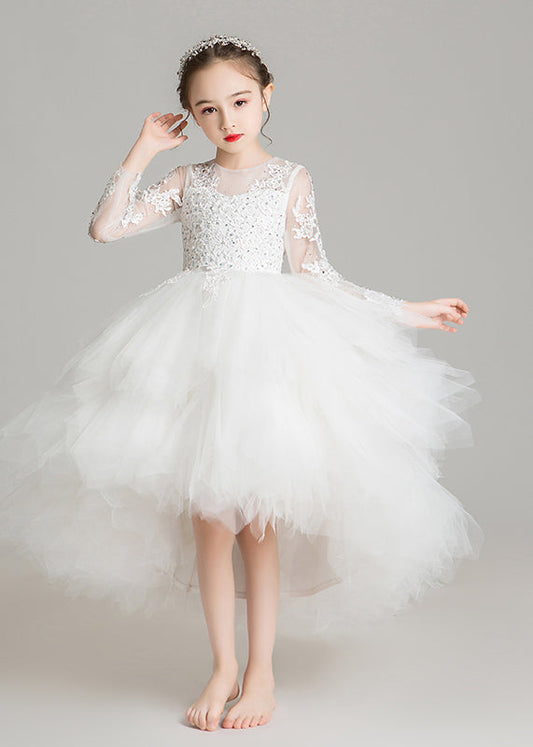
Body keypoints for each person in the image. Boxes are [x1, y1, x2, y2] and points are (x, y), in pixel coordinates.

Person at [0, 34, 484, 731]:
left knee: (259, 517)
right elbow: (105, 229)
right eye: (207, 109)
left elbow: (317, 274)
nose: (226, 119)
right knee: (210, 516)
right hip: (193, 350)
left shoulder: (291, 178)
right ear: (190, 116)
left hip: (266, 352)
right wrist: (142, 150)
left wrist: (408, 310)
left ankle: (261, 673)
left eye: (239, 101)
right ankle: (222, 666)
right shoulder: (186, 181)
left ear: (266, 97)